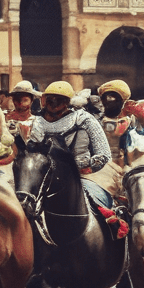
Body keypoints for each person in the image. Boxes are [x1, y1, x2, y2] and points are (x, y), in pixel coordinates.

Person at [28, 80, 125, 235]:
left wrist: (85, 167)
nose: (53, 103)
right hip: (43, 175)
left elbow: (103, 153)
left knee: (96, 200)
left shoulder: (84, 119)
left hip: (85, 175)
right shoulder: (35, 122)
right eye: (50, 99)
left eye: (58, 100)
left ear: (67, 102)